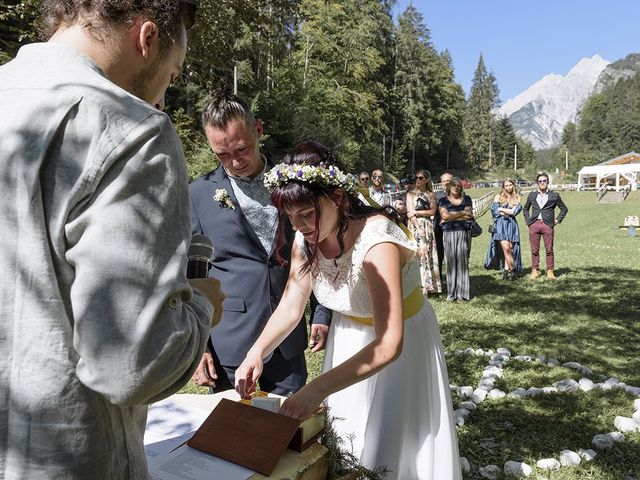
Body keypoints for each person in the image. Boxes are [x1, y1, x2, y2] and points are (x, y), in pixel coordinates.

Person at [0, 0, 226, 478]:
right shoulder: (132, 130)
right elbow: (131, 365)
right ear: (147, 39)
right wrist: (200, 308)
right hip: (70, 455)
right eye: (174, 73)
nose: (164, 96)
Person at [235, 142, 462, 480]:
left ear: (337, 197)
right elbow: (292, 305)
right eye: (291, 217)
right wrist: (257, 352)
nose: (299, 227)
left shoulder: (377, 243)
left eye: (308, 214)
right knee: (348, 437)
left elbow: (388, 345)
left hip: (399, 346)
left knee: (391, 443)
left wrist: (313, 390)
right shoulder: (304, 239)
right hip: (348, 338)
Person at [189, 87, 330, 394]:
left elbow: (317, 244)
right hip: (231, 342)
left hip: (288, 341)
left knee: (289, 433)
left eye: (241, 149)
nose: (235, 162)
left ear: (259, 130)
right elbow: (192, 273)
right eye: (222, 154)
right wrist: (197, 345)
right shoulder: (198, 194)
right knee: (233, 437)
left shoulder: (293, 184)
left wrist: (321, 312)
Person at [523, 172, 568, 280]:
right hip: (534, 224)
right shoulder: (532, 195)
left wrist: (557, 220)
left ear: (547, 182)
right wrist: (529, 222)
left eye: (544, 181)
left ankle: (550, 271)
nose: (542, 183)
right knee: (534, 250)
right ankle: (535, 270)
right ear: (537, 183)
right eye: (540, 181)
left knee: (549, 249)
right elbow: (525, 209)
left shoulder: (554, 195)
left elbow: (564, 209)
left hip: (548, 225)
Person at [437, 177, 474, 302]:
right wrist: (462, 213)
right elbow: (444, 216)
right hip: (448, 233)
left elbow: (469, 215)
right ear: (449, 187)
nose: (456, 187)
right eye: (453, 185)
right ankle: (452, 293)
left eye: (458, 185)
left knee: (462, 263)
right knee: (451, 263)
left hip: (463, 232)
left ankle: (462, 294)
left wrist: (450, 217)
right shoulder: (442, 201)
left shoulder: (467, 199)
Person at [407, 170, 442, 294]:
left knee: (428, 253)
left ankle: (429, 285)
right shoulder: (410, 194)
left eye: (420, 178)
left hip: (427, 225)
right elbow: (409, 213)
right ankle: (418, 285)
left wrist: (417, 213)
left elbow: (432, 212)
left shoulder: (431, 195)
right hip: (414, 226)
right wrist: (418, 227)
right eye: (416, 177)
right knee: (417, 254)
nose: (417, 180)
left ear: (427, 180)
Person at [484, 179, 523, 279]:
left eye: (510, 185)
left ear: (513, 185)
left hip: (512, 225)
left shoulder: (517, 197)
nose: (509, 187)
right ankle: (513, 270)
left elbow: (514, 212)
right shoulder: (498, 196)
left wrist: (501, 209)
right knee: (506, 249)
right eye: (506, 185)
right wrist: (505, 211)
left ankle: (506, 271)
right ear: (503, 187)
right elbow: (494, 210)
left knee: (510, 249)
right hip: (501, 225)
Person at [433, 171, 454, 288]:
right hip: (439, 230)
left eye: (448, 180)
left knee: (451, 256)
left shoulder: (458, 194)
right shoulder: (435, 195)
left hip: (454, 230)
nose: (446, 183)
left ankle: (452, 281)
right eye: (444, 181)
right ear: (441, 183)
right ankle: (439, 281)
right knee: (439, 255)